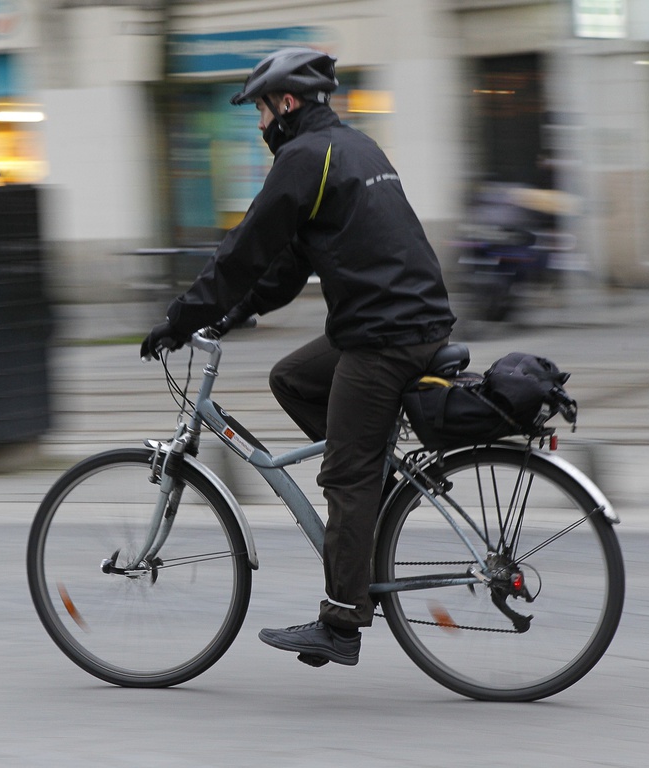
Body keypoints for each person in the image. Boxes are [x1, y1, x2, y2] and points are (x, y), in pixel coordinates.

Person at [140, 48, 455, 667]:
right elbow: (286, 266)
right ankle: (373, 470)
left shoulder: (305, 157)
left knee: (343, 475)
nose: (259, 125)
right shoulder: (352, 146)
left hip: (384, 336)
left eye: (260, 109)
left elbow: (243, 252)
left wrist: (181, 320)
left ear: (287, 104)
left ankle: (340, 624)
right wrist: (232, 314)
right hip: (404, 319)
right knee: (292, 377)